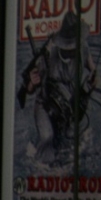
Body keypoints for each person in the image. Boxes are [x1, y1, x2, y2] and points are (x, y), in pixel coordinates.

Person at [19, 10, 96, 162]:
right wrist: (32, 83)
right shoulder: (48, 54)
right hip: (45, 105)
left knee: (71, 145)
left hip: (67, 107)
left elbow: (93, 70)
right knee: (47, 139)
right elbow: (30, 90)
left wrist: (92, 81)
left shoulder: (84, 48)